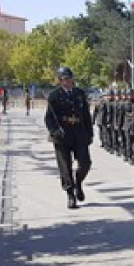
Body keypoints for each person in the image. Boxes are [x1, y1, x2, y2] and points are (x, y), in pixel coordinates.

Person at [44, 67, 93, 209]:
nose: (67, 81)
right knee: (65, 167)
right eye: (64, 79)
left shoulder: (79, 94)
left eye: (69, 78)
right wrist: (55, 130)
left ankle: (78, 183)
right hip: (62, 135)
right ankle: (70, 194)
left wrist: (89, 134)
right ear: (60, 81)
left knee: (85, 163)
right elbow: (49, 118)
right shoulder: (54, 96)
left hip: (79, 133)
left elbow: (86, 116)